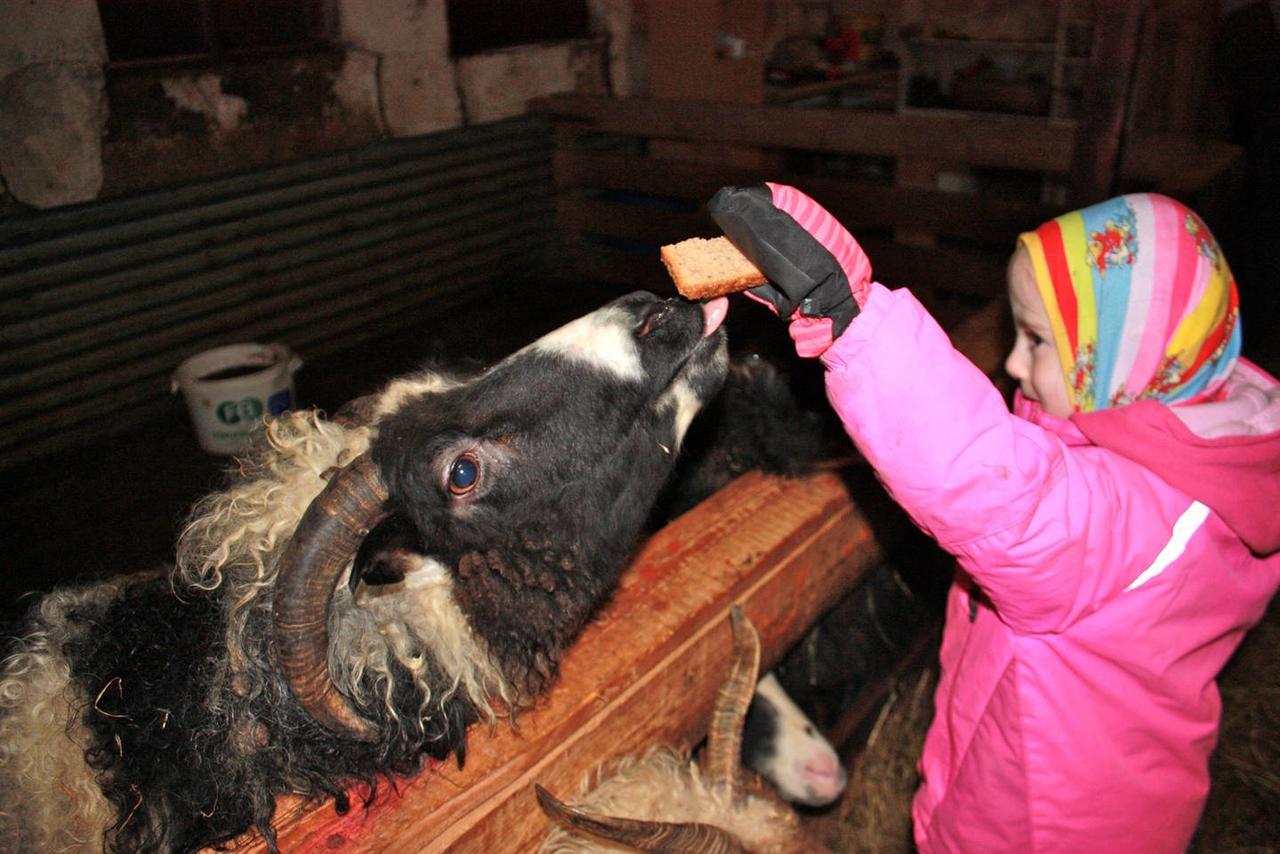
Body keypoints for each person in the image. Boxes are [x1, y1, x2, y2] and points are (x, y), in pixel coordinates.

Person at [708, 183, 1280, 852]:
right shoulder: (1191, 437)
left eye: (1036, 339)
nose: (1011, 362)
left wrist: (853, 323)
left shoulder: (1146, 521)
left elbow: (992, 485)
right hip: (1044, 777)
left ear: (1124, 352)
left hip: (1052, 823)